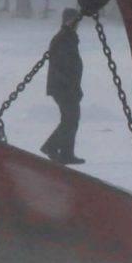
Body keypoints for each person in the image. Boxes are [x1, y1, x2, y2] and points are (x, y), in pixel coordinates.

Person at [39, 9, 84, 164]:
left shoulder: (69, 38)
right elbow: (61, 66)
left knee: (71, 119)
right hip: (63, 87)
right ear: (66, 21)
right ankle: (51, 146)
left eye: (77, 21)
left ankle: (66, 153)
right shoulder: (63, 38)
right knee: (70, 119)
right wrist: (69, 86)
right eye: (73, 20)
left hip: (68, 86)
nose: (76, 24)